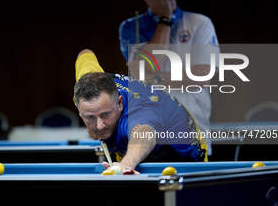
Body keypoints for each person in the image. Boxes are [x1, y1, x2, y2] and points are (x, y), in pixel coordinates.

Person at [119, 0, 220, 155]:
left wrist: (153, 79)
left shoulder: (200, 23)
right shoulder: (131, 27)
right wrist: (165, 19)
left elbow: (202, 77)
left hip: (193, 134)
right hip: (148, 137)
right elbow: (148, 65)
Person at [74, 49, 207, 174]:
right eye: (90, 116)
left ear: (119, 103)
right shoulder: (87, 84)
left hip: (184, 153)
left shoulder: (138, 112)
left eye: (105, 114)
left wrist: (127, 164)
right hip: (132, 150)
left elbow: (144, 134)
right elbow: (85, 53)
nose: (100, 125)